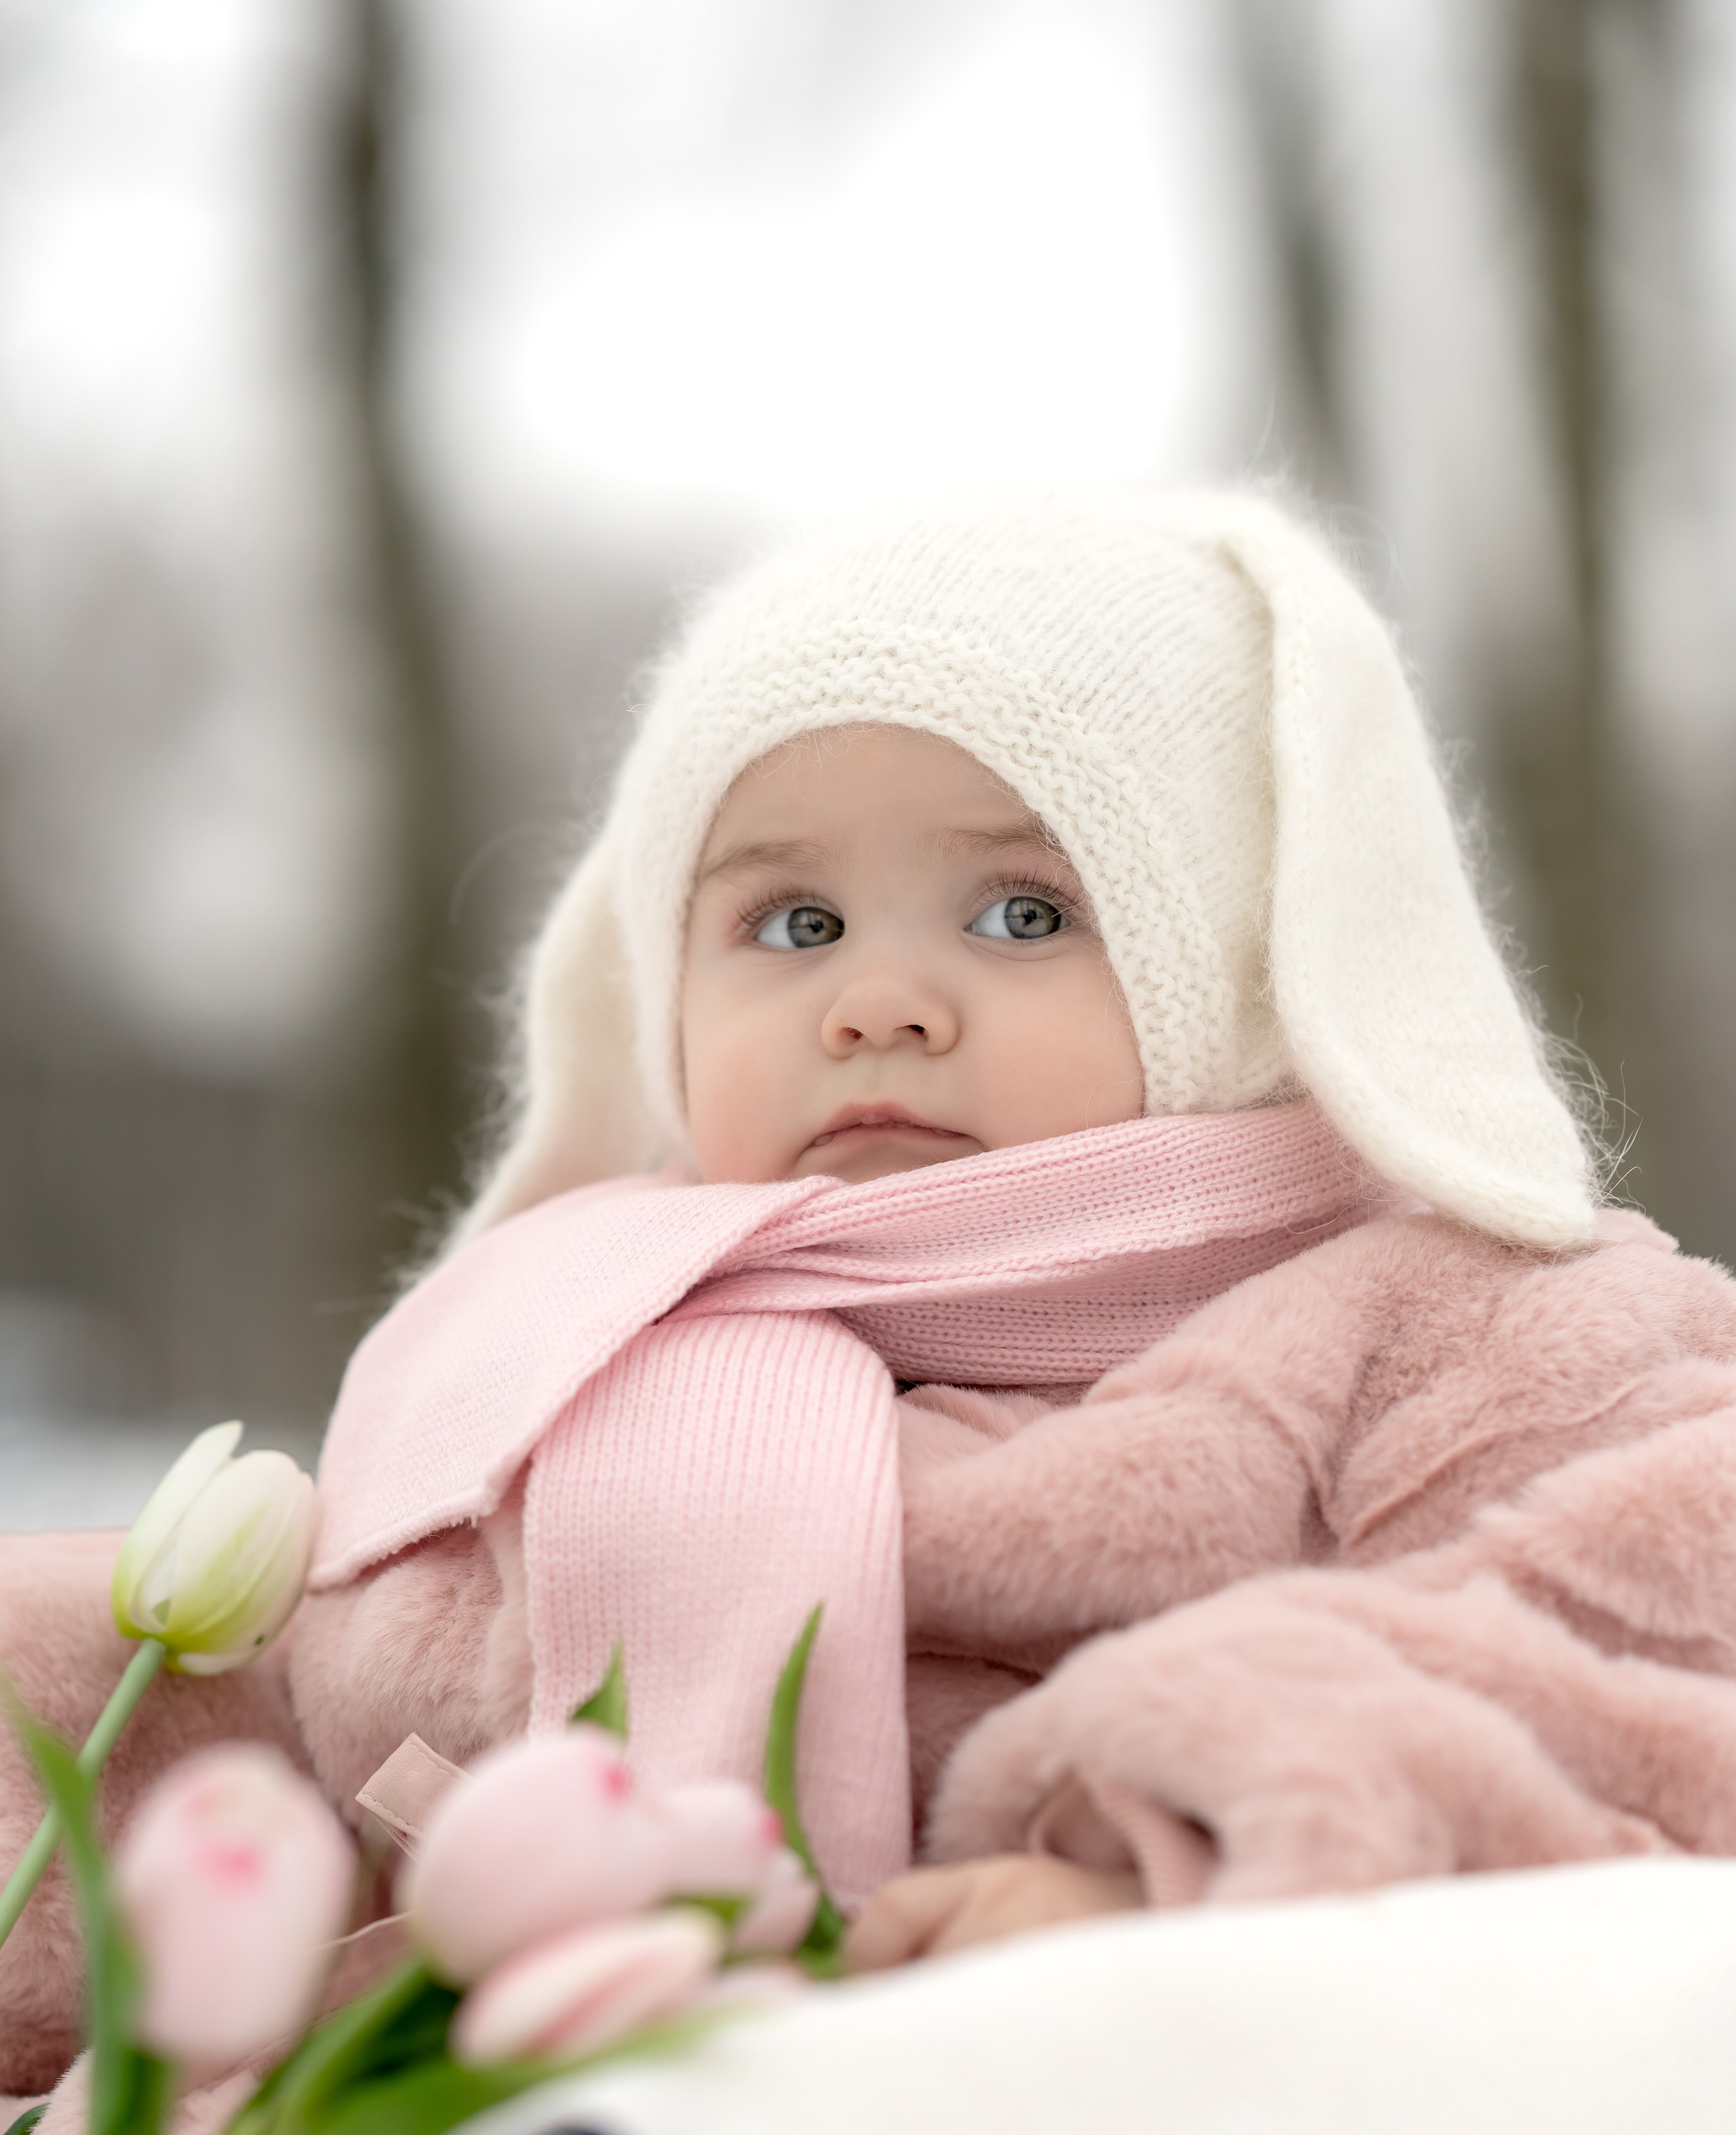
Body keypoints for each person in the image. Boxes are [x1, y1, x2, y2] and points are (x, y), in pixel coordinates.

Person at [288, 484, 1736, 1972]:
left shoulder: (1460, 1326)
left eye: (1021, 915)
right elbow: (258, 1729)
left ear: (1243, 960)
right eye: (792, 923)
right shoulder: (552, 1347)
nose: (875, 1002)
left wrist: (1161, 1877)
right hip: (503, 2130)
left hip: (1146, 2114)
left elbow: (1644, 1646)